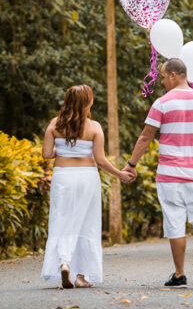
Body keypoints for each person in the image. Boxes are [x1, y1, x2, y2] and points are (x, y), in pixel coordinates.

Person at [122, 58, 193, 287]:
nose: (161, 81)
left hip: (170, 175)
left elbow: (145, 137)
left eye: (162, 77)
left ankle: (179, 274)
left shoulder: (161, 103)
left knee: (175, 221)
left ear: (173, 75)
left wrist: (131, 164)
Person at [41, 84, 133, 289]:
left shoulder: (55, 124)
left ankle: (64, 262)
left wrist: (64, 149)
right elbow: (100, 160)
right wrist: (120, 174)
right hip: (87, 178)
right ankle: (82, 276)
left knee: (61, 220)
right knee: (86, 224)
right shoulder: (94, 127)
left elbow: (46, 154)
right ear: (87, 102)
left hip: (62, 177)